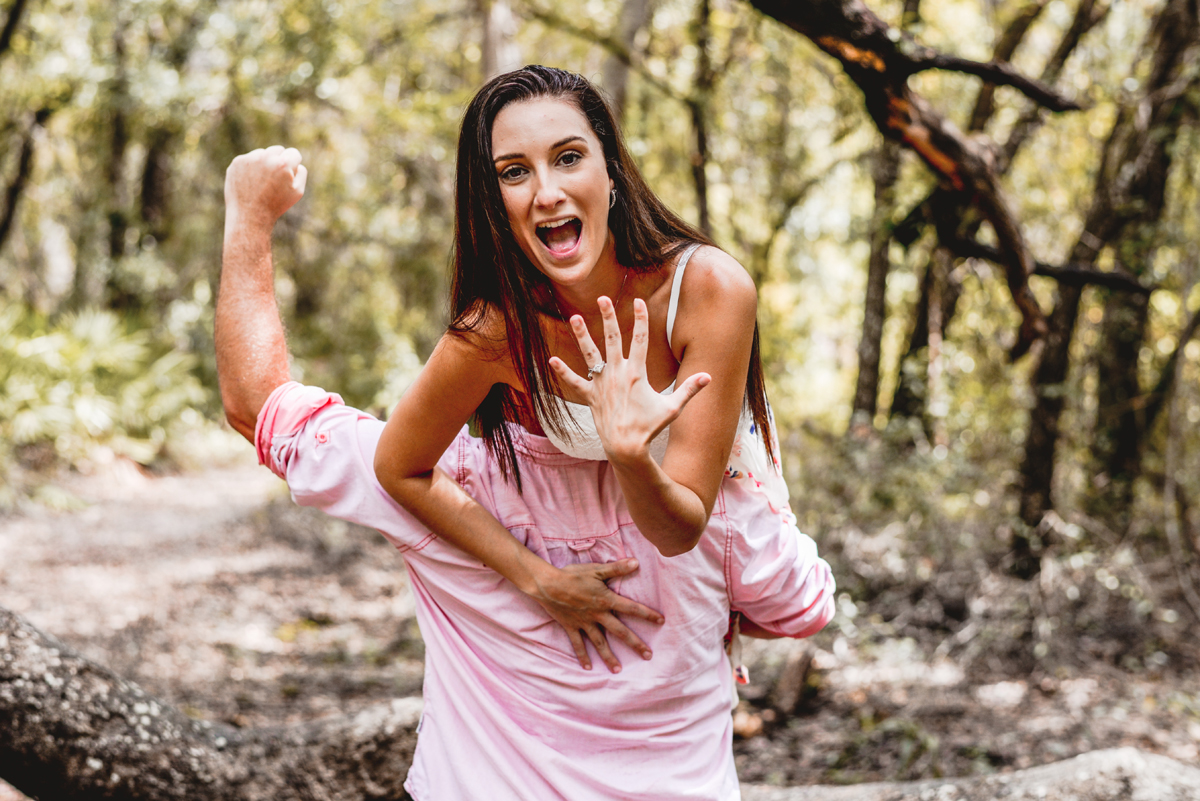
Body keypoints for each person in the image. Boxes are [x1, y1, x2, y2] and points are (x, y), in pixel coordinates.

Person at [217, 65, 834, 801]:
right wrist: (536, 576)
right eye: (514, 171)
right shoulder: (487, 382)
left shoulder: (705, 297)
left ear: (612, 170)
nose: (545, 190)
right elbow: (801, 605)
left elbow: (260, 406)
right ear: (493, 202)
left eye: (568, 156)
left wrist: (250, 218)